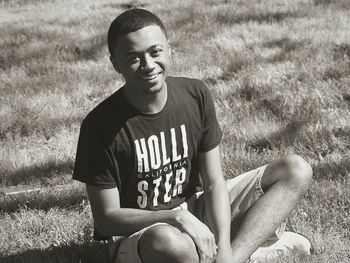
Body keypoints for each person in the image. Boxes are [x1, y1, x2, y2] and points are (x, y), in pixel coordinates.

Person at [73, 8, 313, 263]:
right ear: (115, 63)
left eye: (155, 52)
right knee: (169, 242)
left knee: (295, 170)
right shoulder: (99, 126)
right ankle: (257, 252)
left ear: (169, 50)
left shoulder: (194, 94)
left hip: (195, 209)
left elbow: (213, 182)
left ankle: (234, 257)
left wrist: (223, 246)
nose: (148, 65)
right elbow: (107, 219)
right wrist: (174, 217)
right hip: (141, 233)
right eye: (133, 57)